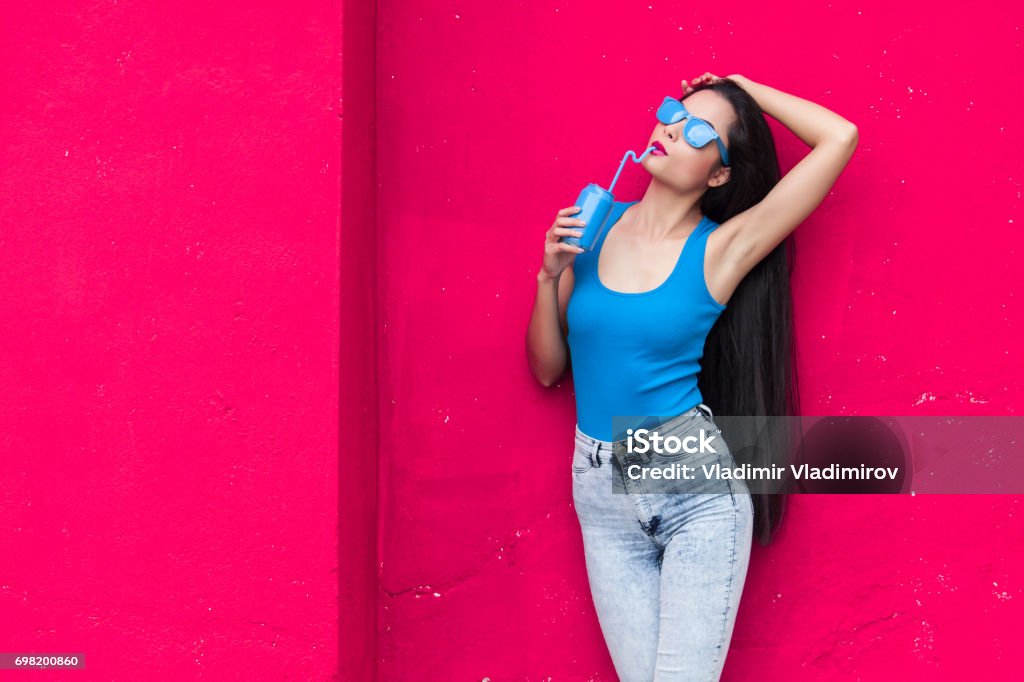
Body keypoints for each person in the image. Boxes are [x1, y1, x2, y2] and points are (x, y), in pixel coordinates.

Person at [525, 72, 858, 681]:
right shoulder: (592, 230)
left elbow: (839, 138)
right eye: (673, 113)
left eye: (699, 129)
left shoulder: (722, 249)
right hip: (600, 495)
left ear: (720, 174)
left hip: (692, 491)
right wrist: (549, 277)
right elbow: (548, 370)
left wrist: (743, 87)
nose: (672, 127)